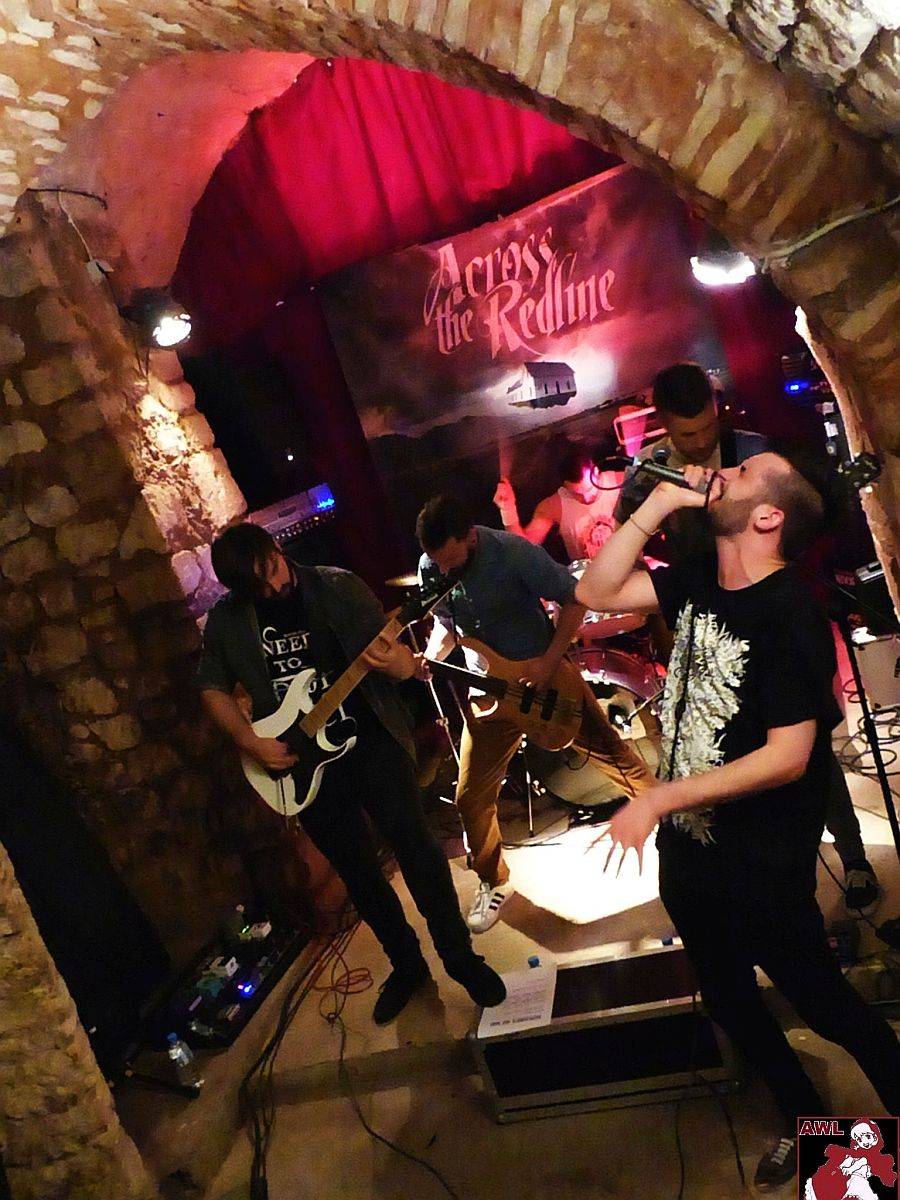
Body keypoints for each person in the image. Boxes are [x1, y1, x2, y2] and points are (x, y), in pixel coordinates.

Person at [576, 448, 900, 1189]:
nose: (723, 469)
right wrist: (657, 505)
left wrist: (657, 797)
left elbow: (789, 756)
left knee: (825, 1006)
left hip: (761, 859)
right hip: (692, 851)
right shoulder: (695, 577)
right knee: (729, 1000)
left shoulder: (791, 612)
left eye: (746, 472)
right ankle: (810, 1125)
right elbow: (595, 589)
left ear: (768, 516)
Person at [197, 523, 506, 1025]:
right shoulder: (228, 621)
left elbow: (404, 668)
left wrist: (397, 662)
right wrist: (250, 743)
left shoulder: (337, 587)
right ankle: (406, 965)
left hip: (372, 742)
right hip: (302, 762)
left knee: (419, 852)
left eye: (272, 570)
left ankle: (459, 958)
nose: (273, 587)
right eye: (257, 586)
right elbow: (211, 687)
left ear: (277, 549)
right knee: (359, 872)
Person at [617, 362, 880, 911]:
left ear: (717, 410)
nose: (700, 443)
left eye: (706, 428)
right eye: (685, 435)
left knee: (803, 742)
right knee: (714, 739)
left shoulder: (756, 456)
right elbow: (619, 561)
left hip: (763, 603)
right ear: (663, 424)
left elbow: (803, 522)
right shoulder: (650, 472)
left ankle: (852, 857)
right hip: (699, 603)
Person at [416, 495, 652, 933]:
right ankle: (494, 880)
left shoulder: (512, 552)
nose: (444, 571)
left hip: (546, 683)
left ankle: (680, 825)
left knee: (617, 760)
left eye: (451, 561)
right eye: (437, 563)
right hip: (489, 695)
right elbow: (447, 625)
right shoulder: (431, 566)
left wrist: (548, 662)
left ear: (470, 536)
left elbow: (576, 600)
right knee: (471, 797)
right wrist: (431, 656)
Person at [493, 441, 623, 561]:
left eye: (589, 489)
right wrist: (508, 510)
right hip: (592, 575)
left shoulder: (619, 481)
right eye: (577, 494)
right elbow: (523, 552)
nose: (586, 498)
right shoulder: (554, 506)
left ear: (596, 471)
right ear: (565, 487)